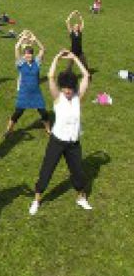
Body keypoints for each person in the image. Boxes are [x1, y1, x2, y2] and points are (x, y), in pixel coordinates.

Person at [29, 51, 92, 215]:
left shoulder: (79, 98)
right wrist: (56, 57)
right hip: (57, 141)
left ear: (74, 87)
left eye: (70, 89)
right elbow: (50, 77)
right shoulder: (58, 98)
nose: (67, 92)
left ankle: (81, 197)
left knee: (78, 173)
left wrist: (75, 59)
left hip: (73, 143)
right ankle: (36, 200)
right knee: (46, 171)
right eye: (65, 89)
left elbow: (86, 75)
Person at [6, 31, 50, 135]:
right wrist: (22, 38)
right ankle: (9, 129)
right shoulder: (20, 63)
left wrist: (36, 40)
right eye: (26, 54)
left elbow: (43, 49)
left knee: (43, 112)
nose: (28, 56)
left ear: (32, 55)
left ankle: (48, 130)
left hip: (36, 92)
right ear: (24, 55)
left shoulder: (37, 62)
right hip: (24, 93)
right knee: (18, 112)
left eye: (30, 54)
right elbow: (16, 48)